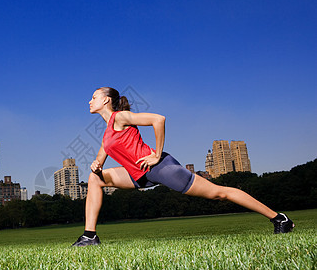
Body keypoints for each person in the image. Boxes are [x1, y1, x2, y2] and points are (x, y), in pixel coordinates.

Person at [72, 87, 294, 247]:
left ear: (106, 101)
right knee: (95, 179)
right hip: (137, 175)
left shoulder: (121, 117)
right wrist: (97, 164)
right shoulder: (108, 131)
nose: (89, 101)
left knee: (219, 193)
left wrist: (156, 154)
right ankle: (90, 236)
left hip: (159, 168)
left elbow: (158, 119)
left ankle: (279, 219)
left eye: (93, 97)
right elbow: (103, 154)